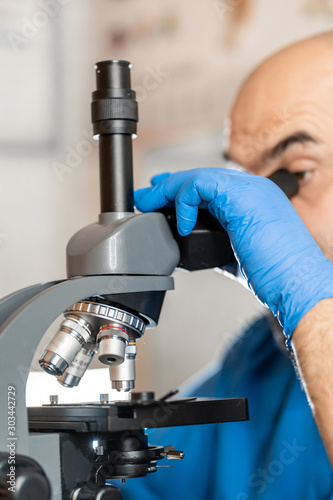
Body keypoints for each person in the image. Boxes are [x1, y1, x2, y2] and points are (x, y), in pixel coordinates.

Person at [118, 32, 333, 499]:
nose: (254, 217)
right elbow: (140, 478)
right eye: (247, 181)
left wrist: (312, 301)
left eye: (294, 175)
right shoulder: (261, 354)